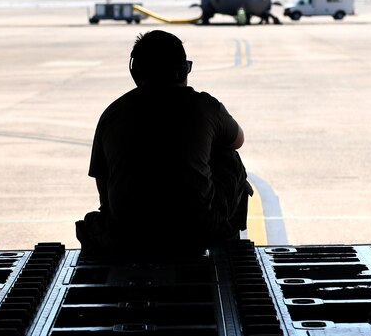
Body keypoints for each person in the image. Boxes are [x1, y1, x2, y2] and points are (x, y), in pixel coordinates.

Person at [76, 29, 253, 256]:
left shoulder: (113, 112)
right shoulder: (203, 105)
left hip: (127, 235)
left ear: (136, 72)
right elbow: (237, 140)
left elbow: (103, 180)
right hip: (195, 233)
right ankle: (228, 249)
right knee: (229, 157)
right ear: (182, 71)